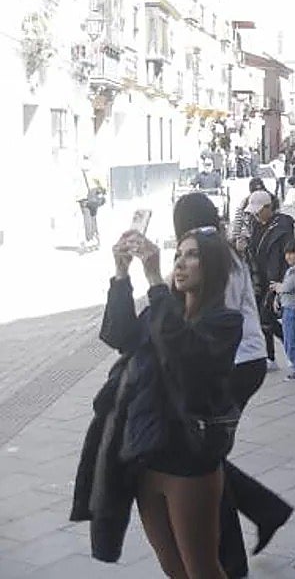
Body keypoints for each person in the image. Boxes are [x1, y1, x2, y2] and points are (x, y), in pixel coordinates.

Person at [80, 228, 243, 578]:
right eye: (178, 255)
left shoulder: (224, 322)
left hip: (188, 462)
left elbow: (183, 355)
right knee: (173, 569)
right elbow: (118, 335)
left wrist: (154, 278)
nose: (181, 263)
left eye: (192, 255)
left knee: (201, 569)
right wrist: (121, 275)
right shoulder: (162, 310)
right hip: (146, 454)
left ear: (212, 267)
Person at [173, 193, 293, 576]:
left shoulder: (212, 255)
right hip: (244, 361)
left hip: (234, 363)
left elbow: (210, 318)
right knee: (207, 457)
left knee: (204, 462)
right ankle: (264, 511)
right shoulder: (217, 250)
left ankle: (234, 559)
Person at [249, 190, 295, 372]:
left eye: (259, 210)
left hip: (275, 278)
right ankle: (273, 355)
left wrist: (283, 280)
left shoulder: (282, 226)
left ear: (269, 207)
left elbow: (287, 254)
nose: (256, 214)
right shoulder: (256, 225)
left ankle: (288, 349)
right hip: (259, 277)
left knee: (266, 317)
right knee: (263, 319)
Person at [272, 240, 295, 381]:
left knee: (289, 340)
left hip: (292, 310)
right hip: (290, 308)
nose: (289, 257)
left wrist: (278, 287)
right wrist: (277, 298)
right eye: (287, 254)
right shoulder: (290, 270)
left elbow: (286, 288)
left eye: (292, 253)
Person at [231, 177, 268, 255]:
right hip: (248, 240)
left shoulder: (271, 200)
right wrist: (235, 238)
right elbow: (238, 221)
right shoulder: (244, 202)